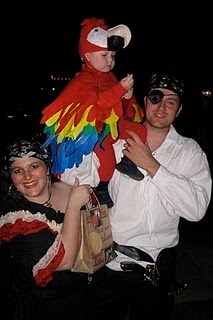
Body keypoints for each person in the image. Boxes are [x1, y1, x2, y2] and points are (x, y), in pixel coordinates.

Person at [85, 73, 212, 320]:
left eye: (171, 101)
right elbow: (83, 176)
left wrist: (152, 165)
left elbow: (196, 210)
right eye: (156, 97)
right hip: (109, 263)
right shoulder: (117, 140)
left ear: (179, 109)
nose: (162, 106)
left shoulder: (189, 152)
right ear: (145, 101)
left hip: (157, 267)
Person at [40, 17, 147, 209]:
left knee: (140, 131)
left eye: (112, 56)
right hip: (96, 131)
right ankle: (102, 190)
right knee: (107, 164)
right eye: (104, 55)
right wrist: (120, 89)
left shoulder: (110, 76)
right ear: (87, 56)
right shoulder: (83, 80)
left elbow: (118, 106)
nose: (110, 61)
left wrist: (126, 96)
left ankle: (128, 162)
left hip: (113, 124)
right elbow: (97, 103)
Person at [0, 139, 92, 320]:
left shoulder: (66, 188)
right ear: (11, 177)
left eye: (34, 166)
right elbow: (63, 261)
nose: (27, 176)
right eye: (18, 170)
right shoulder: (12, 218)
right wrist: (74, 205)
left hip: (83, 296)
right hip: (43, 306)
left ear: (47, 168)